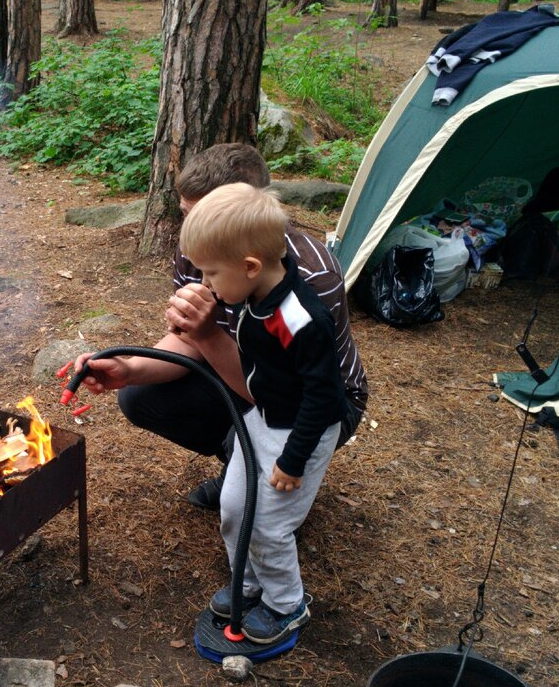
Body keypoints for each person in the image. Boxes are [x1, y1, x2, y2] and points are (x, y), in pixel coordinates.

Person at [70, 143, 367, 510]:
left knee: (255, 490)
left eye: (203, 218)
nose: (189, 233)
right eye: (186, 215)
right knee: (139, 396)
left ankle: (269, 485)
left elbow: (288, 394)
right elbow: (189, 344)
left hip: (316, 401)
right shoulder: (203, 244)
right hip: (248, 371)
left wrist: (207, 333)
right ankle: (244, 467)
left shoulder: (309, 279)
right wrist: (130, 369)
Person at [177, 182, 347, 642]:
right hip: (265, 416)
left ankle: (287, 605)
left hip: (299, 431)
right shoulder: (253, 291)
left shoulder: (298, 318)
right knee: (235, 507)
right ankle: (248, 583)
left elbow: (324, 397)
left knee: (270, 524)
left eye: (211, 274)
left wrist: (293, 461)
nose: (206, 285)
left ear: (249, 266)